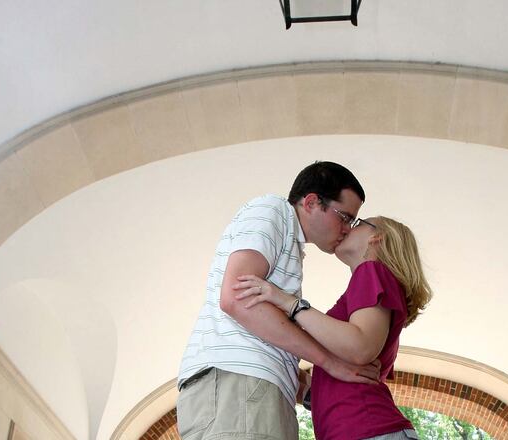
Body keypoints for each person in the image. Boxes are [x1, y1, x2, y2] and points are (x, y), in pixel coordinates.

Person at [176, 161, 381, 440]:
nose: (347, 229)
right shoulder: (272, 210)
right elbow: (235, 298)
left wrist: (304, 385)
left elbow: (263, 329)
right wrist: (330, 362)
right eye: (344, 217)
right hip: (240, 385)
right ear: (311, 202)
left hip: (252, 391)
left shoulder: (290, 244)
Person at [235, 215, 433, 440]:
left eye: (357, 224)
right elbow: (350, 372)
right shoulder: (371, 293)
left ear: (378, 238)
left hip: (368, 429)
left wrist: (289, 303)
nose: (347, 228)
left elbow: (361, 346)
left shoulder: (371, 270)